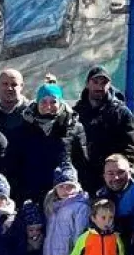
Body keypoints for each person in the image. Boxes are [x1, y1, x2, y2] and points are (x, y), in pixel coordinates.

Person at [5, 79, 89, 208]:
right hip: (30, 199)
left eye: (53, 101)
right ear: (37, 102)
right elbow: (12, 167)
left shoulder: (73, 128)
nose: (48, 106)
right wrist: (19, 197)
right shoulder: (22, 129)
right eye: (43, 101)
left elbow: (82, 164)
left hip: (64, 199)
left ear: (60, 102)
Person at [74, 65, 134, 193]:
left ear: (109, 85)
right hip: (81, 179)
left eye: (104, 82)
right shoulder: (76, 113)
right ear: (87, 84)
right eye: (95, 82)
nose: (99, 86)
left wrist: (118, 173)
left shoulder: (121, 112)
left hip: (112, 181)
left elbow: (130, 148)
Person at [0, 68, 29, 139]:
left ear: (21, 86)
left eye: (14, 84)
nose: (9, 88)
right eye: (5, 84)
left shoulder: (32, 111)